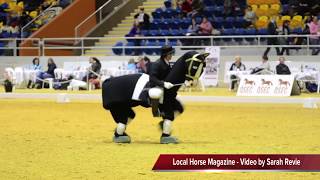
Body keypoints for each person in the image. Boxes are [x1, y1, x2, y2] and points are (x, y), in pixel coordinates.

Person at [149, 45, 175, 117]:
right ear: (165, 55)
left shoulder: (167, 63)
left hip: (164, 85)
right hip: (156, 85)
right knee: (156, 93)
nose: (171, 55)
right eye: (170, 54)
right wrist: (163, 84)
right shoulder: (157, 64)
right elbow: (152, 78)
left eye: (171, 54)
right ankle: (156, 111)